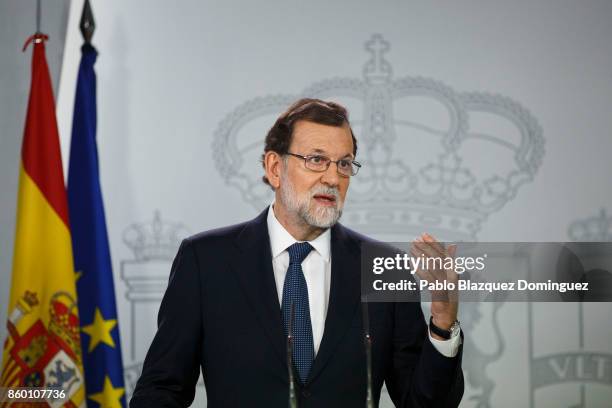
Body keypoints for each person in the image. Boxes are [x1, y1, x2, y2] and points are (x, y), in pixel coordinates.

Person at [130, 98, 464, 407]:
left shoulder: (382, 267)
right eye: (316, 159)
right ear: (275, 168)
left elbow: (423, 404)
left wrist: (443, 325)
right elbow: (161, 389)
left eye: (344, 164)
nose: (332, 177)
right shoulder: (206, 261)